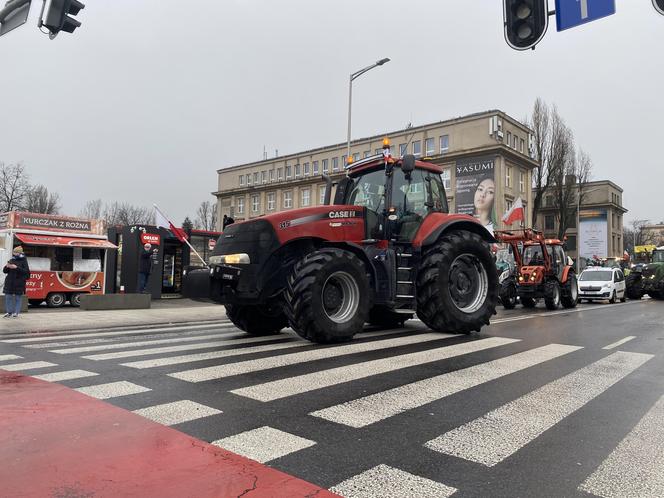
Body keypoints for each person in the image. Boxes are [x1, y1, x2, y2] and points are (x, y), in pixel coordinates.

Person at [3, 246, 30, 318]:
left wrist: (16, 267)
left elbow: (26, 271)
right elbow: (4, 271)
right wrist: (7, 266)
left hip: (19, 282)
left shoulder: (24, 260)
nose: (14, 253)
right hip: (10, 282)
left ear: (20, 253)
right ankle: (9, 312)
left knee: (18, 298)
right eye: (13, 252)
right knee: (8, 297)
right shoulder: (12, 259)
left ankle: (16, 313)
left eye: (15, 252)